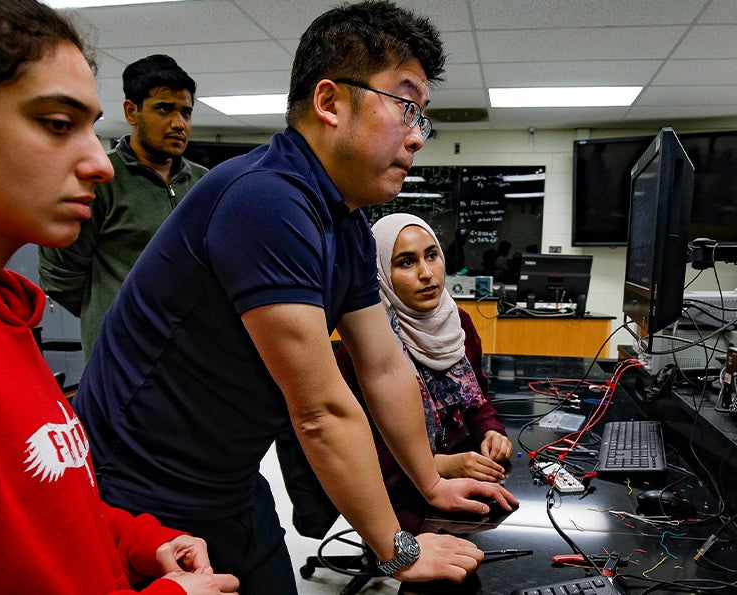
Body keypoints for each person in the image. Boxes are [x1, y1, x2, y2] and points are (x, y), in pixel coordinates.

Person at [73, 1, 517, 591]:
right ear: (330, 102)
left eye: (423, 115)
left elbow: (383, 366)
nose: (417, 135)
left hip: (228, 482)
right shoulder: (265, 198)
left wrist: (430, 485)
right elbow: (320, 411)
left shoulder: (347, 223)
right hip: (143, 497)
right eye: (406, 105)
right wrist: (398, 550)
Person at [0, 1, 238, 593]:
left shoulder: (11, 332)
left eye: (89, 129)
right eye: (56, 124)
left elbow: (59, 513)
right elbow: (67, 278)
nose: (98, 162)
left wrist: (139, 541)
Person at [336, 214, 514, 533]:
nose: (427, 273)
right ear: (380, 273)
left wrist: (491, 432)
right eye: (406, 262)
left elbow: (478, 401)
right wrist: (437, 466)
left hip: (463, 465)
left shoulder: (457, 323)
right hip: (396, 486)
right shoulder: (363, 344)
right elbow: (356, 445)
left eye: (431, 256)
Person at [38, 53, 207, 360]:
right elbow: (60, 275)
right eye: (164, 109)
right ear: (132, 112)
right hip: (121, 353)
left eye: (186, 112)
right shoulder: (101, 179)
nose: (179, 123)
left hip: (187, 352)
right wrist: (112, 312)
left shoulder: (203, 182)